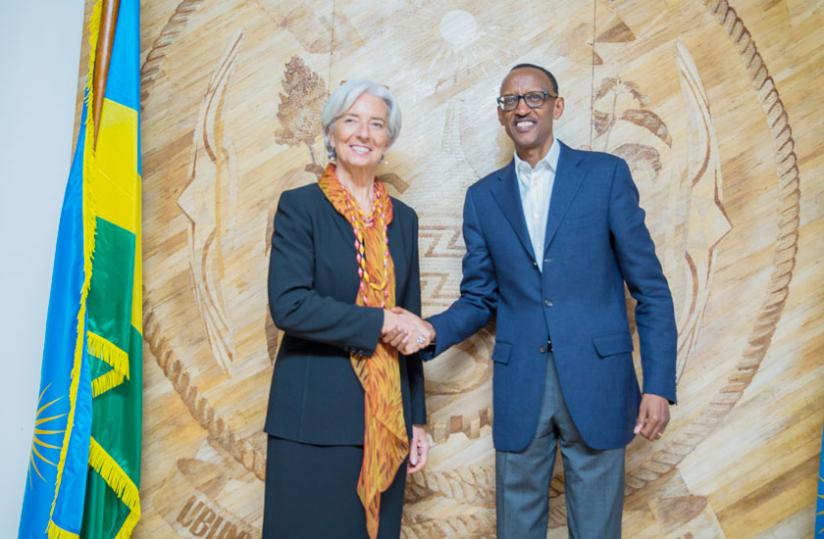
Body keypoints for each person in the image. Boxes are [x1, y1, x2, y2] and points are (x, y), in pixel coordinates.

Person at [392, 63, 677, 538]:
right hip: (521, 383)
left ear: (556, 106)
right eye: (510, 101)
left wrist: (659, 385)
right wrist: (431, 331)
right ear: (502, 117)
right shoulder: (483, 198)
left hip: (600, 379)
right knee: (517, 528)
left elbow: (650, 288)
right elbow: (481, 297)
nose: (521, 108)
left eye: (534, 98)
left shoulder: (606, 176)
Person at [264, 80, 431, 539]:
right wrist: (378, 321)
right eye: (351, 120)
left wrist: (416, 418)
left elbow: (409, 321)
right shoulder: (300, 208)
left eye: (376, 123)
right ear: (331, 132)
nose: (363, 132)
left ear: (388, 139)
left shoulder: (405, 218)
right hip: (311, 420)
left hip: (385, 422)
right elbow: (290, 305)